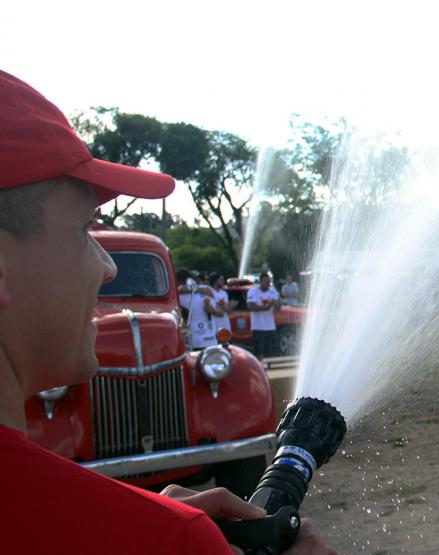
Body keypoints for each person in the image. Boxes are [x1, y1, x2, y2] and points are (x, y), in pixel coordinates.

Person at [0, 70, 333, 554]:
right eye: (84, 230)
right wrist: (163, 529)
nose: (107, 266)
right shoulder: (172, 541)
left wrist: (139, 509)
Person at [247, 272, 281, 358]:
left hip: (270, 326)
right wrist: (268, 306)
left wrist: (276, 304)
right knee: (258, 352)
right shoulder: (253, 291)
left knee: (271, 351)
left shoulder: (273, 291)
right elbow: (251, 306)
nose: (268, 284)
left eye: (269, 281)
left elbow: (278, 308)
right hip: (258, 326)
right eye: (266, 281)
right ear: (260, 282)